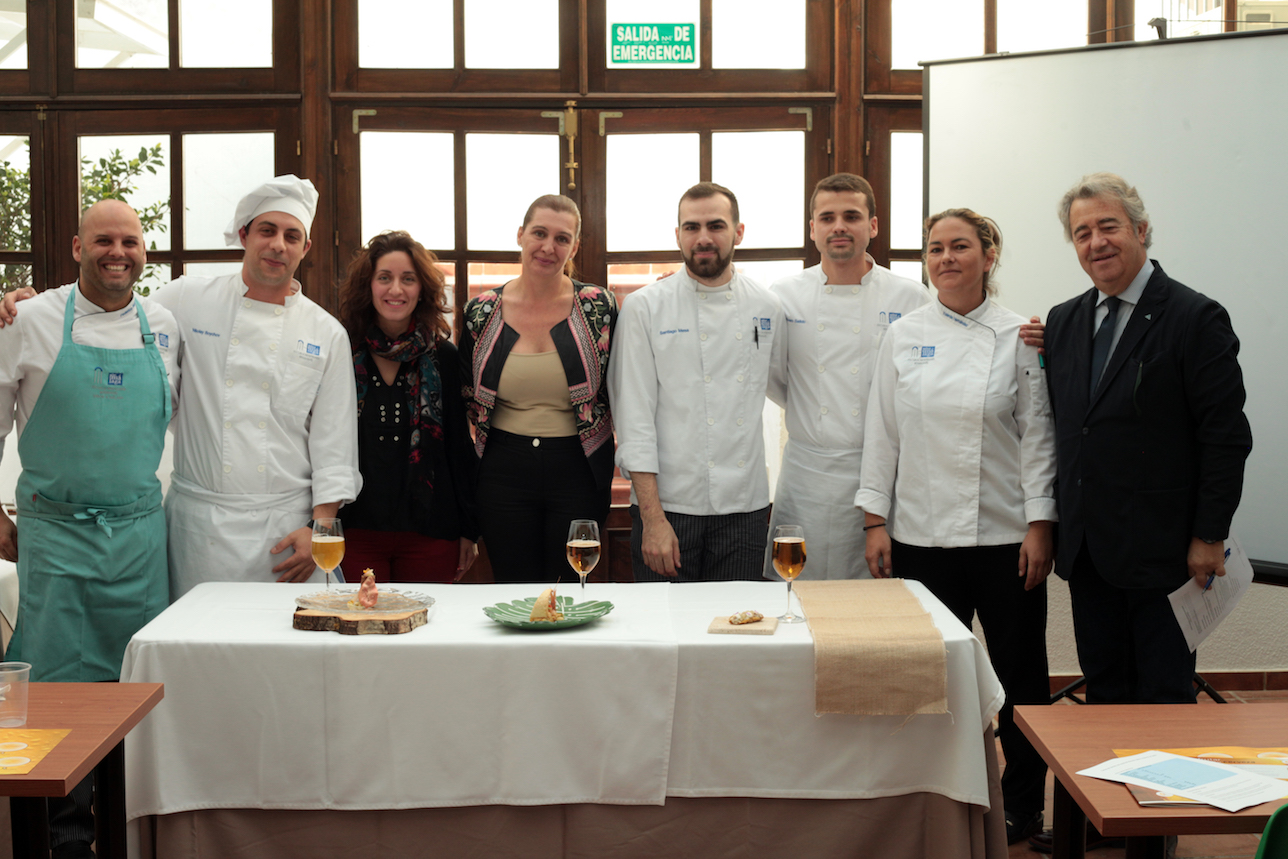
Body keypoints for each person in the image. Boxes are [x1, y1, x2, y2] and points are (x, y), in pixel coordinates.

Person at [856, 208, 1055, 846]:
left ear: (988, 255)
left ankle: (1025, 807)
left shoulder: (1020, 335)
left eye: (960, 246)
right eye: (936, 248)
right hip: (920, 536)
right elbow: (882, 432)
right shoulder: (904, 333)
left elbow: (1038, 440)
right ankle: (928, 803)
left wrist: (1039, 524)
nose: (946, 258)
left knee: (1022, 680)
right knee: (926, 679)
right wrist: (874, 519)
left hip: (1004, 540)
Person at [0, 200, 180, 859]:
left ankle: (127, 831)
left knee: (132, 689)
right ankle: (60, 836)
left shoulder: (163, 323)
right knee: (52, 693)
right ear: (76, 246)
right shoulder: (30, 317)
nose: (118, 252)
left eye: (129, 241)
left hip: (138, 538)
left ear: (144, 251)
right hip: (56, 537)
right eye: (103, 239)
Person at [1044, 174, 1252, 705]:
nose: (1096, 243)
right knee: (1106, 692)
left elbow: (1225, 437)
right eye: (1082, 232)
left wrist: (1210, 533)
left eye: (1108, 226)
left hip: (1165, 552)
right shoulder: (1064, 322)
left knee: (1164, 700)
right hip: (1090, 552)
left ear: (1141, 229)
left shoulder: (1195, 317)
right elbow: (1072, 428)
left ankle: (1160, 792)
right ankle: (1104, 793)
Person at [154, 176, 360, 598]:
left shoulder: (326, 332)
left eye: (292, 236)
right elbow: (114, 316)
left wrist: (320, 530)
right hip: (198, 528)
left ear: (305, 248)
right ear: (245, 235)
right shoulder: (186, 300)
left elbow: (334, 444)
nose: (278, 245)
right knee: (198, 652)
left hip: (286, 534)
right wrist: (34, 307)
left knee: (288, 657)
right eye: (267, 230)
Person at [609, 182, 784, 582]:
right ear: (678, 236)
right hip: (668, 508)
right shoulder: (644, 307)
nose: (703, 238)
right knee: (664, 634)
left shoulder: (766, 306)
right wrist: (652, 519)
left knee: (738, 632)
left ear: (738, 232)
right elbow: (633, 419)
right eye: (691, 227)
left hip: (746, 507)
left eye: (716, 225)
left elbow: (785, 386)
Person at [763, 173, 929, 580]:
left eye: (851, 216)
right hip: (806, 475)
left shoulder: (910, 297)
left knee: (876, 602)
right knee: (796, 595)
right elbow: (773, 377)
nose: (839, 226)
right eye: (827, 217)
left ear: (872, 226)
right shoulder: (782, 295)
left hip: (881, 475)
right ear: (813, 229)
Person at [460, 195, 616, 583]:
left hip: (578, 469)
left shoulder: (599, 307)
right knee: (514, 587)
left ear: (575, 247)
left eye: (562, 238)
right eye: (539, 233)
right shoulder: (480, 311)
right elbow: (463, 397)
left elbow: (622, 388)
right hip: (502, 470)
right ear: (521, 235)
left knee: (567, 589)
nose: (548, 247)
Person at [338, 231, 478, 583]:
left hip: (432, 532)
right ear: (367, 286)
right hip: (355, 531)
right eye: (384, 278)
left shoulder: (444, 357)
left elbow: (459, 448)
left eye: (408, 279)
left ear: (422, 290)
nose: (396, 290)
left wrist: (468, 530)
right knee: (361, 632)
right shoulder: (340, 353)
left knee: (427, 634)